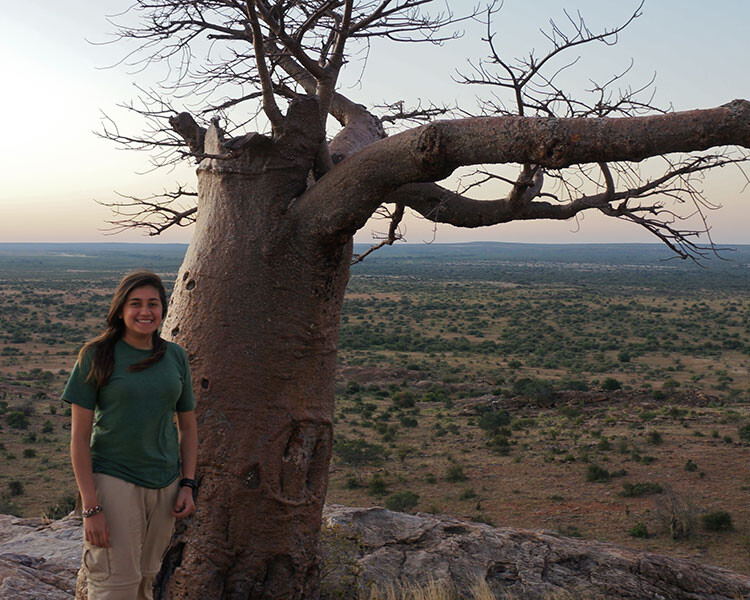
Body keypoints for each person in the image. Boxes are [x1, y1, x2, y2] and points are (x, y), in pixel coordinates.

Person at [62, 270, 198, 600]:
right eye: (135, 303)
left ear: (163, 309)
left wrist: (187, 484)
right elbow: (80, 439)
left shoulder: (175, 357)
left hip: (165, 484)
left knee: (145, 582)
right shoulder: (96, 356)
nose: (145, 312)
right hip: (115, 481)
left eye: (153, 304)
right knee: (113, 585)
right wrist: (91, 508)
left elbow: (188, 426)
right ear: (121, 309)